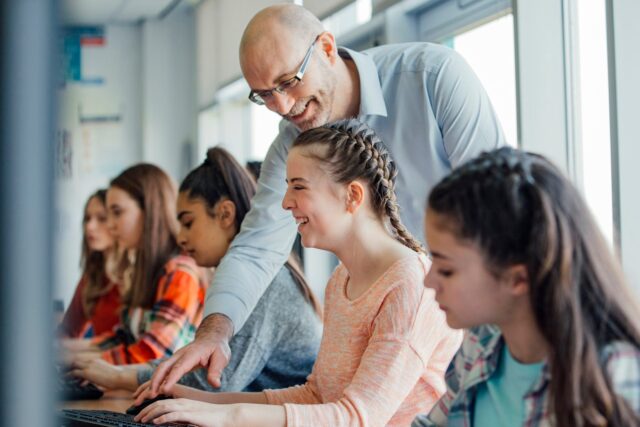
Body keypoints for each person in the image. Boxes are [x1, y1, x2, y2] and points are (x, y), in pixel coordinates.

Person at [151, 3, 504, 394]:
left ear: (327, 48)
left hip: (476, 316)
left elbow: (495, 214)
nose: (282, 107)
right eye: (264, 95)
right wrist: (213, 334)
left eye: (289, 81)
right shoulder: (292, 141)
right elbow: (256, 246)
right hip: (397, 333)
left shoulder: (433, 78)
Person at [134, 120, 462, 427]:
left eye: (299, 187)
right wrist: (201, 401)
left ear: (353, 196)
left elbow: (357, 418)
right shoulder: (341, 280)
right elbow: (316, 395)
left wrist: (229, 416)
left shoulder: (411, 285)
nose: (286, 203)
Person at [412, 147, 640, 426]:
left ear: (517, 279)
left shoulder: (617, 377)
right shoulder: (480, 342)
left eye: (446, 270)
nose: (428, 281)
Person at [71, 147, 322, 393]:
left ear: (225, 215)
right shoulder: (234, 282)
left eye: (188, 223)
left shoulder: (267, 283)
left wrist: (119, 376)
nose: (180, 237)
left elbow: (215, 382)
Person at [65, 163, 207, 365]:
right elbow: (122, 338)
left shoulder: (180, 273)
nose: (111, 224)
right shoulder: (147, 270)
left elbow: (151, 354)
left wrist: (78, 363)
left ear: (149, 211)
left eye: (117, 212)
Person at [59, 189, 121, 338]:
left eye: (102, 218)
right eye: (87, 218)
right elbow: (67, 331)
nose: (90, 227)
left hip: (122, 360)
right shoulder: (93, 275)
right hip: (96, 357)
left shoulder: (137, 277)